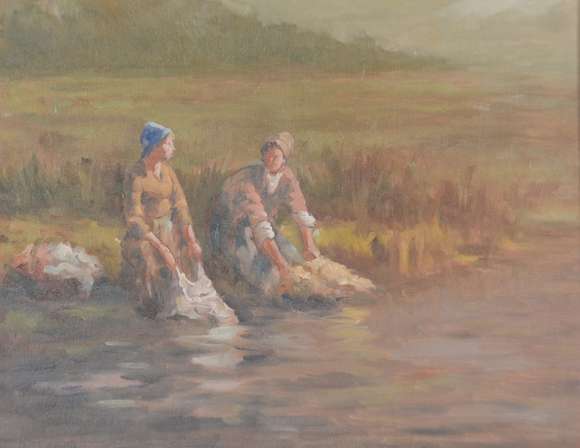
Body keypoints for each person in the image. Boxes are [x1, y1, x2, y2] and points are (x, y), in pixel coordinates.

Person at [210, 132, 320, 297]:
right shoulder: (247, 179)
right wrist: (281, 266)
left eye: (275, 157)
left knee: (295, 259)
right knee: (264, 274)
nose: (270, 160)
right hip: (233, 228)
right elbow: (258, 222)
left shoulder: (287, 177)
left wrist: (309, 245)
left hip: (263, 225)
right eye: (267, 156)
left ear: (284, 159)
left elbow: (299, 210)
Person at [121, 121, 203, 318]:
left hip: (168, 229)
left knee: (187, 253)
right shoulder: (136, 175)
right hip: (145, 235)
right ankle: (153, 308)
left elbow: (181, 205)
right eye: (168, 143)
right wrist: (162, 247)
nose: (172, 147)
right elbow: (134, 218)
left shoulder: (167, 172)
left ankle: (183, 302)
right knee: (150, 258)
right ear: (155, 146)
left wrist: (191, 240)